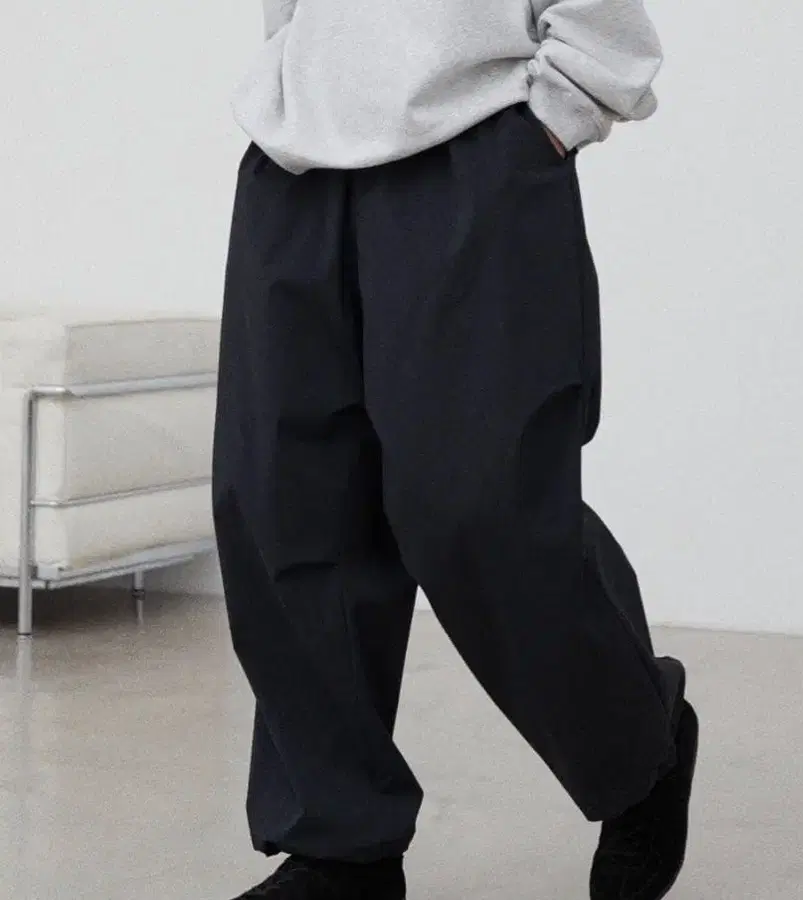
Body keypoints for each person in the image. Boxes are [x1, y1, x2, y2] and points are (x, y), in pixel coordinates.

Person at [213, 1, 699, 898]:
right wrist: (293, 79)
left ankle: (642, 742)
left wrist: (557, 113)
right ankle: (342, 848)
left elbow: (608, 26)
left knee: (477, 504)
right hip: (296, 166)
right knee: (284, 508)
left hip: (474, 148)